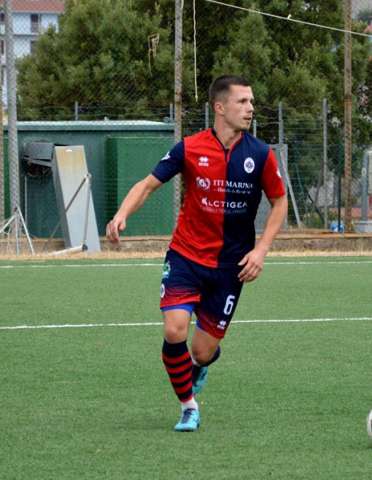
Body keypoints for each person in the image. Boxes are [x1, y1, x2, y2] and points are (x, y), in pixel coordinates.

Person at [106, 75, 288, 432]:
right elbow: (147, 185)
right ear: (220, 108)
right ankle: (188, 406)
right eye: (242, 102)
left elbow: (279, 202)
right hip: (186, 256)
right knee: (175, 330)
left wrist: (261, 250)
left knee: (202, 351)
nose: (250, 108)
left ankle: (200, 366)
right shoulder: (189, 148)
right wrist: (122, 214)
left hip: (231, 267)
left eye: (252, 101)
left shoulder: (261, 154)